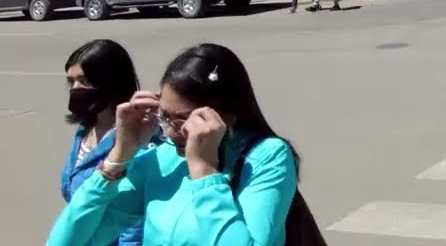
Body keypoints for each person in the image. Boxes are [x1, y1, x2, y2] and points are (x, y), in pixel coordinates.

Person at [47, 44, 300, 246]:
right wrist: (119, 155)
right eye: (164, 116)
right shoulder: (163, 158)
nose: (168, 131)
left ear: (229, 113)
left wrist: (204, 172)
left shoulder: (267, 156)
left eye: (182, 119)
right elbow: (67, 240)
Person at [60, 40, 156, 246]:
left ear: (110, 81)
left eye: (84, 80)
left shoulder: (137, 142)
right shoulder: (85, 130)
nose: (75, 88)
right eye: (71, 81)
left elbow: (133, 228)